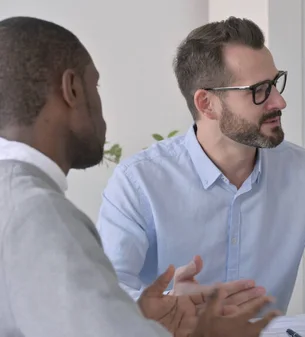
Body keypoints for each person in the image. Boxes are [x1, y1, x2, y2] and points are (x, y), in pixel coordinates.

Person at [0, 16, 278, 337]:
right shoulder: (38, 214)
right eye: (96, 85)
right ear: (72, 89)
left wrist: (136, 314)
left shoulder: (16, 201)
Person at [96, 16, 305, 315]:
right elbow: (105, 295)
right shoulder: (139, 182)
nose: (279, 101)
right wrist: (169, 305)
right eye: (259, 90)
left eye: (275, 83)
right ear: (206, 104)